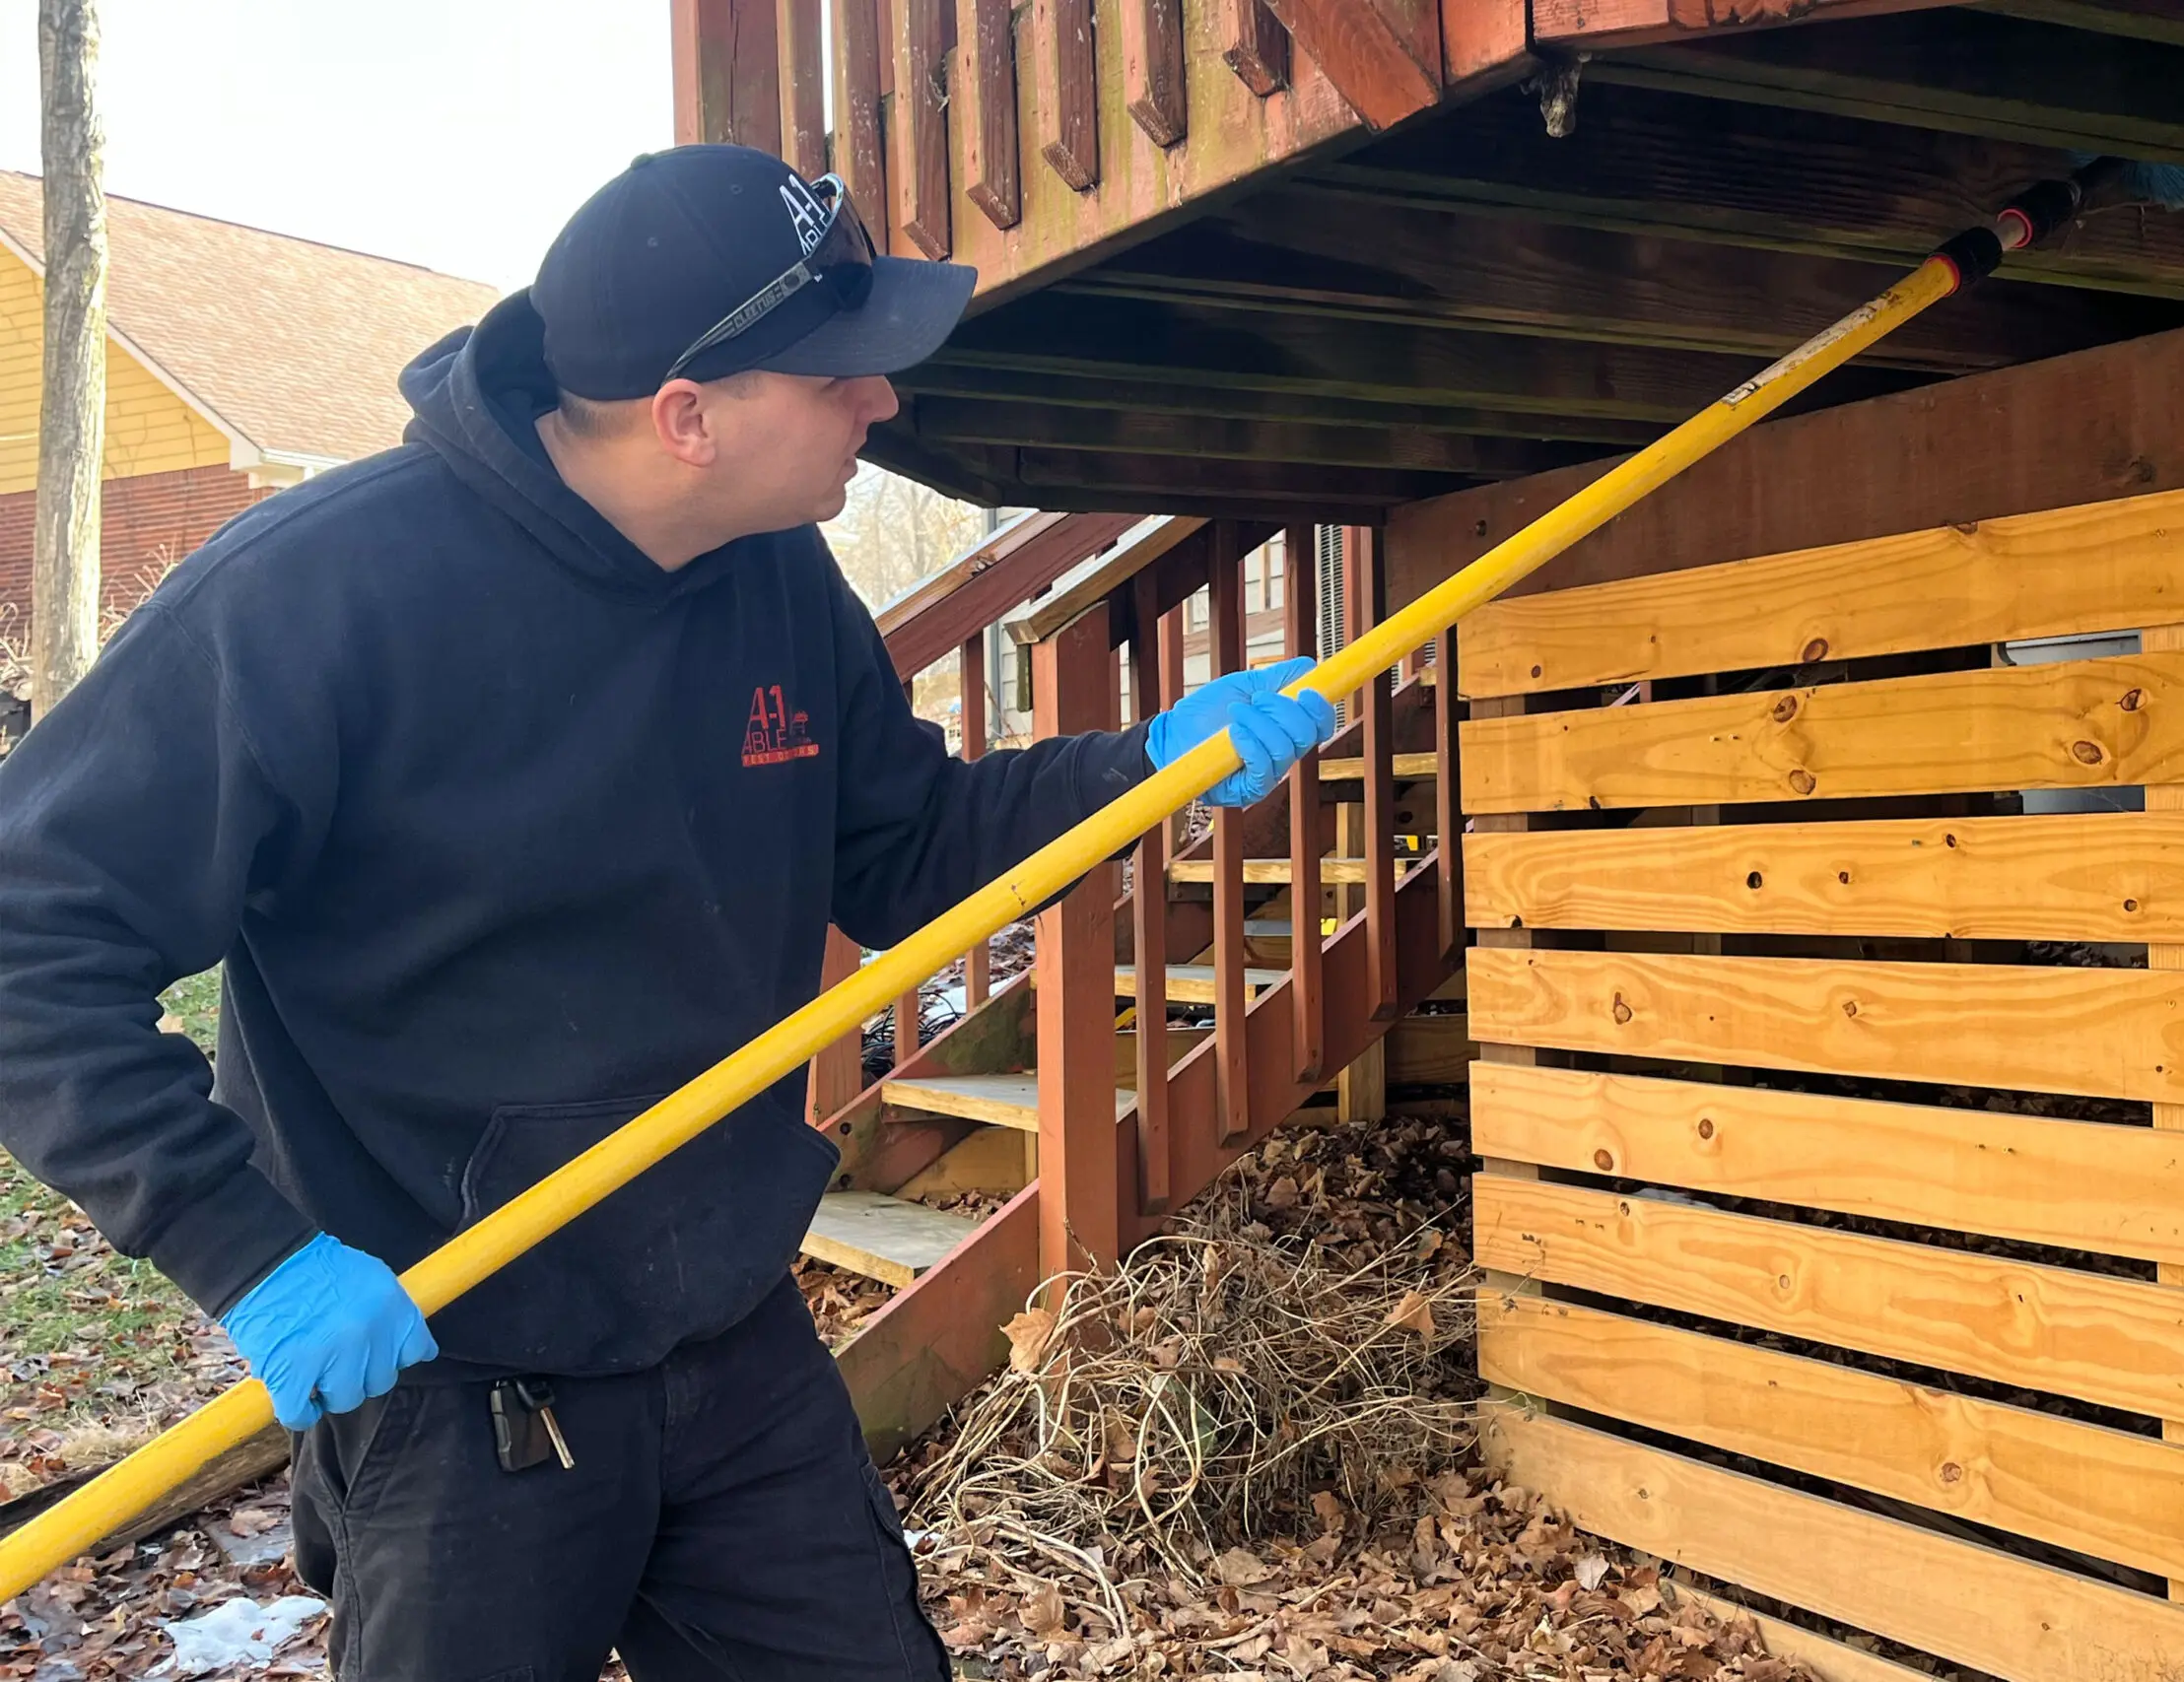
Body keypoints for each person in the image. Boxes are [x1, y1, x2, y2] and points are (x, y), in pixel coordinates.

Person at [0, 146, 1337, 1680]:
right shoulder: (316, 600)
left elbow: (905, 844)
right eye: (840, 373)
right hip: (454, 1374)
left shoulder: (773, 571)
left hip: (723, 1330)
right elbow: (27, 937)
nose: (883, 403)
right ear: (689, 416)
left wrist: (1150, 769)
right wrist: (246, 1249)